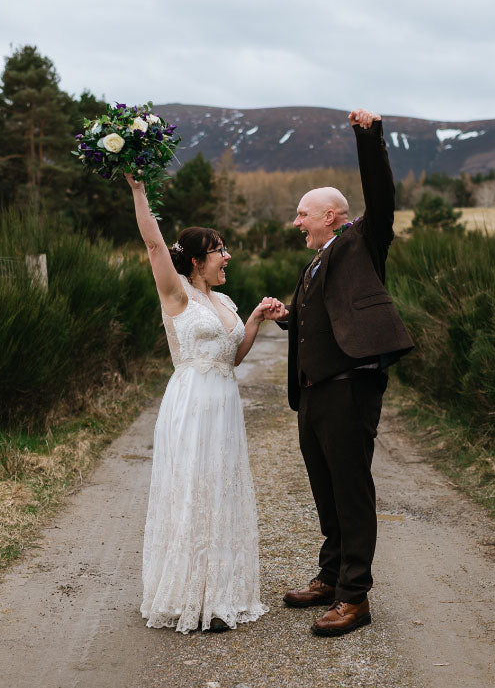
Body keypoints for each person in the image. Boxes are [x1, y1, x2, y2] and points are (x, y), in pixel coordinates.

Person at [274, 108, 414, 637]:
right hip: (313, 394)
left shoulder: (364, 239)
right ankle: (331, 577)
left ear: (333, 216)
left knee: (351, 492)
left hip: (349, 389)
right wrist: (291, 320)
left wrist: (368, 136)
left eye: (303, 214)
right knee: (325, 489)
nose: (297, 221)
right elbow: (329, 317)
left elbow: (381, 194)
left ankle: (355, 598)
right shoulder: (316, 260)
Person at [126, 173, 278, 633]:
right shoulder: (177, 294)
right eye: (219, 251)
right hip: (191, 403)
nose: (227, 256)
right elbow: (154, 247)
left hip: (225, 403)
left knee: (221, 489)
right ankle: (186, 595)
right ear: (196, 261)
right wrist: (138, 190)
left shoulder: (225, 300)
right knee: (192, 490)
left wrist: (252, 318)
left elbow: (233, 355)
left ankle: (220, 595)